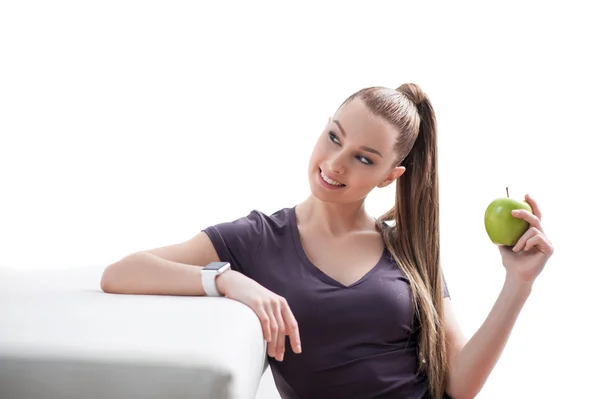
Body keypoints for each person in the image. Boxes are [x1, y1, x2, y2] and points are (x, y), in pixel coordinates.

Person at [100, 83, 554, 399]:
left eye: (362, 157)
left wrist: (519, 284)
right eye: (333, 136)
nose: (335, 163)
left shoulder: (409, 250)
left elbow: (459, 384)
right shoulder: (259, 238)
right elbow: (122, 273)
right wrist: (230, 281)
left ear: (388, 177)